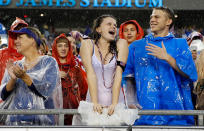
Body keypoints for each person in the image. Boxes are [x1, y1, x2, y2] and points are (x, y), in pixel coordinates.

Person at [124, 7, 197, 125]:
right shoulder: (136, 46)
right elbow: (128, 77)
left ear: (168, 21)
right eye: (151, 17)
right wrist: (130, 100)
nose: (152, 20)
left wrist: (168, 58)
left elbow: (190, 74)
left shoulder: (180, 44)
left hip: (176, 115)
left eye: (157, 17)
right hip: (145, 115)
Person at [0, 27, 62, 125]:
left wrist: (24, 77)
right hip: (15, 123)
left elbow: (47, 89)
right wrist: (13, 79)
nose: (16, 41)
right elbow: (3, 95)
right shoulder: (16, 65)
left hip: (42, 123)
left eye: (20, 37)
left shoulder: (49, 62)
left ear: (32, 40)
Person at [80, 14, 129, 116]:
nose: (113, 27)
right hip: (93, 102)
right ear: (98, 29)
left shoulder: (121, 44)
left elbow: (118, 74)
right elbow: (90, 74)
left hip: (116, 102)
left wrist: (115, 104)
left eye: (115, 25)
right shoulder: (88, 44)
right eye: (109, 24)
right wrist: (95, 102)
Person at [52, 33, 88, 125]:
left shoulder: (76, 68)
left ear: (69, 48)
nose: (63, 49)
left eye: (66, 46)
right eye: (59, 46)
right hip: (54, 114)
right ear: (55, 48)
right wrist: (54, 75)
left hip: (74, 114)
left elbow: (84, 91)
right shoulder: (50, 67)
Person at [0, 17, 28, 86]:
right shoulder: (1, 53)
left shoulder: (31, 55)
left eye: (21, 34)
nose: (18, 38)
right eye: (15, 34)